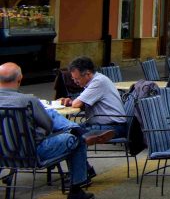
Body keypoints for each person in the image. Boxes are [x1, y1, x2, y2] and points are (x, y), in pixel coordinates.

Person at [0, 63, 95, 199]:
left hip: (2, 153)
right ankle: (76, 190)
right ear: (20, 78)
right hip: (33, 153)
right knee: (77, 138)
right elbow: (48, 125)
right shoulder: (29, 100)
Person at [61, 56, 127, 138]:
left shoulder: (98, 82)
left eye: (77, 79)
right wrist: (71, 101)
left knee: (70, 135)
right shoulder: (95, 80)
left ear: (88, 74)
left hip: (113, 127)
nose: (75, 82)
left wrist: (73, 102)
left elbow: (76, 104)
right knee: (67, 129)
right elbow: (79, 102)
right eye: (73, 79)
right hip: (104, 124)